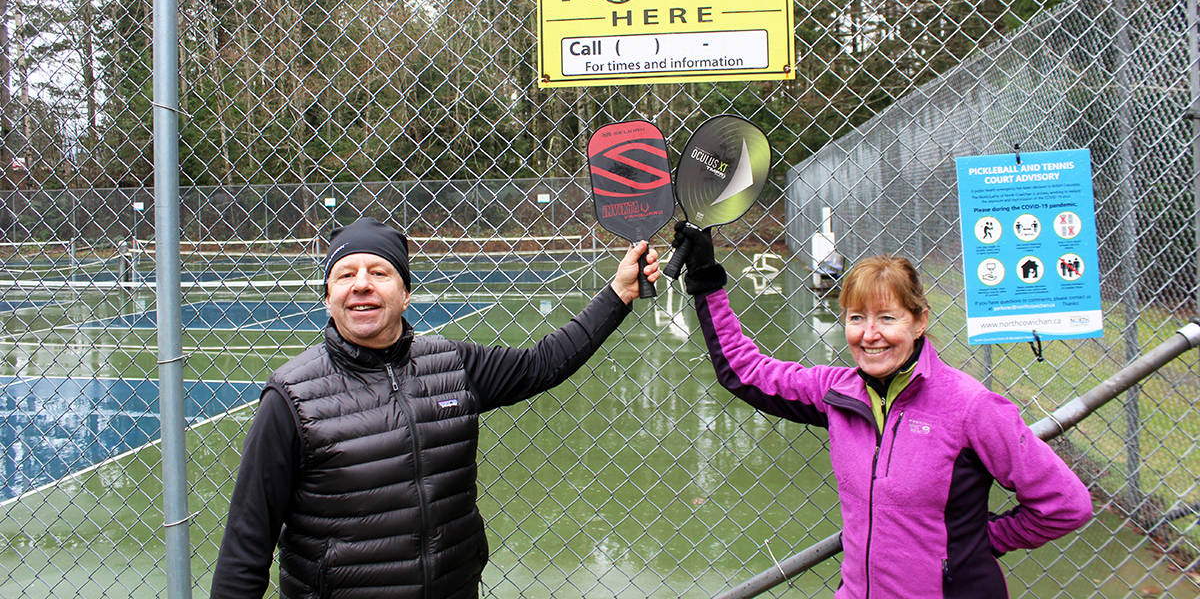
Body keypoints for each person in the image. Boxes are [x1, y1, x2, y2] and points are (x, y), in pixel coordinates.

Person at [211, 217, 659, 598]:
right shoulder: (290, 397)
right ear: (327, 297)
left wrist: (618, 294)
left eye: (379, 272)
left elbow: (544, 363)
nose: (362, 284)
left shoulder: (453, 364)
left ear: (405, 294)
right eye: (345, 274)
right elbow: (246, 546)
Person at [670, 223, 1093, 599]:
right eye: (857, 318)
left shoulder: (971, 407)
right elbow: (744, 372)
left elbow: (1066, 504)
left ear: (919, 321)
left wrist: (981, 540)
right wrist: (707, 282)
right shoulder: (838, 393)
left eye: (887, 318)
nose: (870, 335)